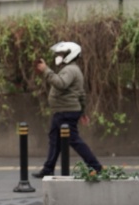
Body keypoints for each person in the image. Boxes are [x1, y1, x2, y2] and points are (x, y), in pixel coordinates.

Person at [33, 41, 102, 177]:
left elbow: (61, 84)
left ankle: (95, 166)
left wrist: (46, 70)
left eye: (61, 54)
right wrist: (83, 112)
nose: (58, 56)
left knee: (73, 140)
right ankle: (48, 169)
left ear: (70, 55)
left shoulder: (70, 70)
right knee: (55, 141)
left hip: (66, 112)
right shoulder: (72, 69)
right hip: (63, 112)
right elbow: (81, 93)